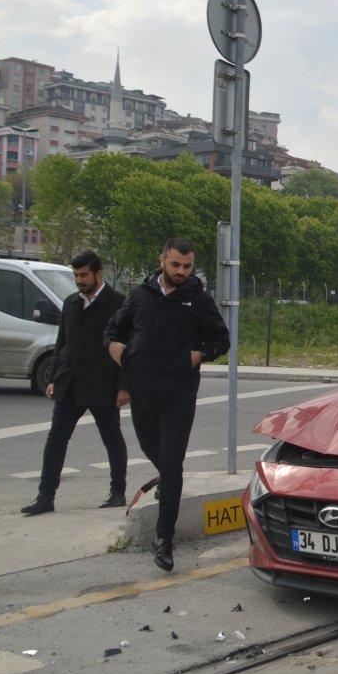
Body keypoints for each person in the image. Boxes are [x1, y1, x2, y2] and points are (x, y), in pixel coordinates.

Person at [104, 238, 229, 571]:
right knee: (151, 448)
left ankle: (164, 539)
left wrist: (198, 355)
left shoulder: (198, 300)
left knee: (172, 465)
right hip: (143, 392)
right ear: (162, 260)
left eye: (187, 266)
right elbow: (113, 330)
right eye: (175, 265)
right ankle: (167, 481)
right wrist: (117, 350)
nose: (181, 271)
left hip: (179, 394)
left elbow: (222, 340)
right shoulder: (139, 296)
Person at [20, 250, 129, 516]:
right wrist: (53, 379)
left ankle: (117, 492)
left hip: (103, 386)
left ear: (98, 273)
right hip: (69, 384)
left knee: (112, 439)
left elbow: (129, 348)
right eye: (76, 275)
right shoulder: (70, 303)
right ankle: (45, 497)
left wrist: (124, 386)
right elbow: (62, 345)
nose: (79, 280)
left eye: (84, 275)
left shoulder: (119, 304)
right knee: (56, 439)